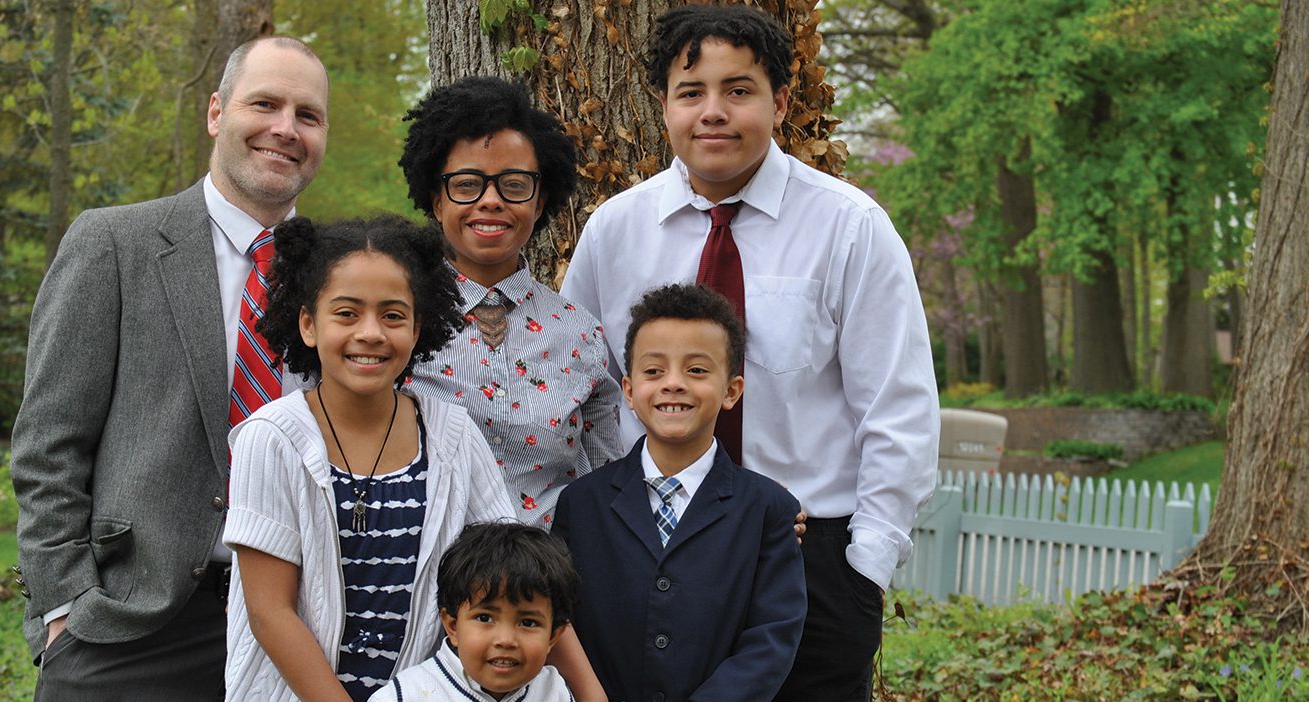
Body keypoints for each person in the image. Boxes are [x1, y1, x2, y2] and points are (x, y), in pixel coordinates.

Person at [559, 6, 940, 700]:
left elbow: (899, 409)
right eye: (691, 92)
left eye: (739, 90)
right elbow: (582, 398)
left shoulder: (849, 229)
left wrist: (864, 571)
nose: (714, 112)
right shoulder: (614, 233)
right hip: (646, 548)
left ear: (781, 101)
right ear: (663, 105)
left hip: (807, 557)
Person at [9, 36, 329, 699]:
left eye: (307, 115)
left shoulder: (341, 270)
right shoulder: (113, 244)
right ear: (216, 112)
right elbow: (47, 445)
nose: (284, 129)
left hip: (300, 622)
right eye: (264, 103)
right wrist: (66, 607)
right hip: (133, 626)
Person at [220, 215, 520, 700]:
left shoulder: (452, 434)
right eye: (346, 313)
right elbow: (270, 612)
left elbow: (516, 567)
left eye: (393, 315)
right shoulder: (271, 437)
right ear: (308, 324)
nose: (371, 333)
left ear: (418, 328)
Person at [551, 284, 806, 702]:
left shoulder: (768, 510)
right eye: (654, 371)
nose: (673, 384)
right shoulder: (581, 504)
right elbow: (560, 619)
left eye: (697, 370)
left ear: (732, 391)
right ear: (629, 391)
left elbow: (772, 639)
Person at [399, 76, 622, 528]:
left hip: (552, 584)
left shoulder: (581, 333)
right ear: (436, 199)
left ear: (539, 202)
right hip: (421, 581)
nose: (491, 201)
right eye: (467, 185)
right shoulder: (394, 321)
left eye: (514, 185)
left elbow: (609, 484)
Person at [371, 522, 579, 702]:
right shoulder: (405, 695)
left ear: (553, 636)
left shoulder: (554, 691)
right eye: (485, 618)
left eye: (528, 622)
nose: (505, 640)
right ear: (452, 626)